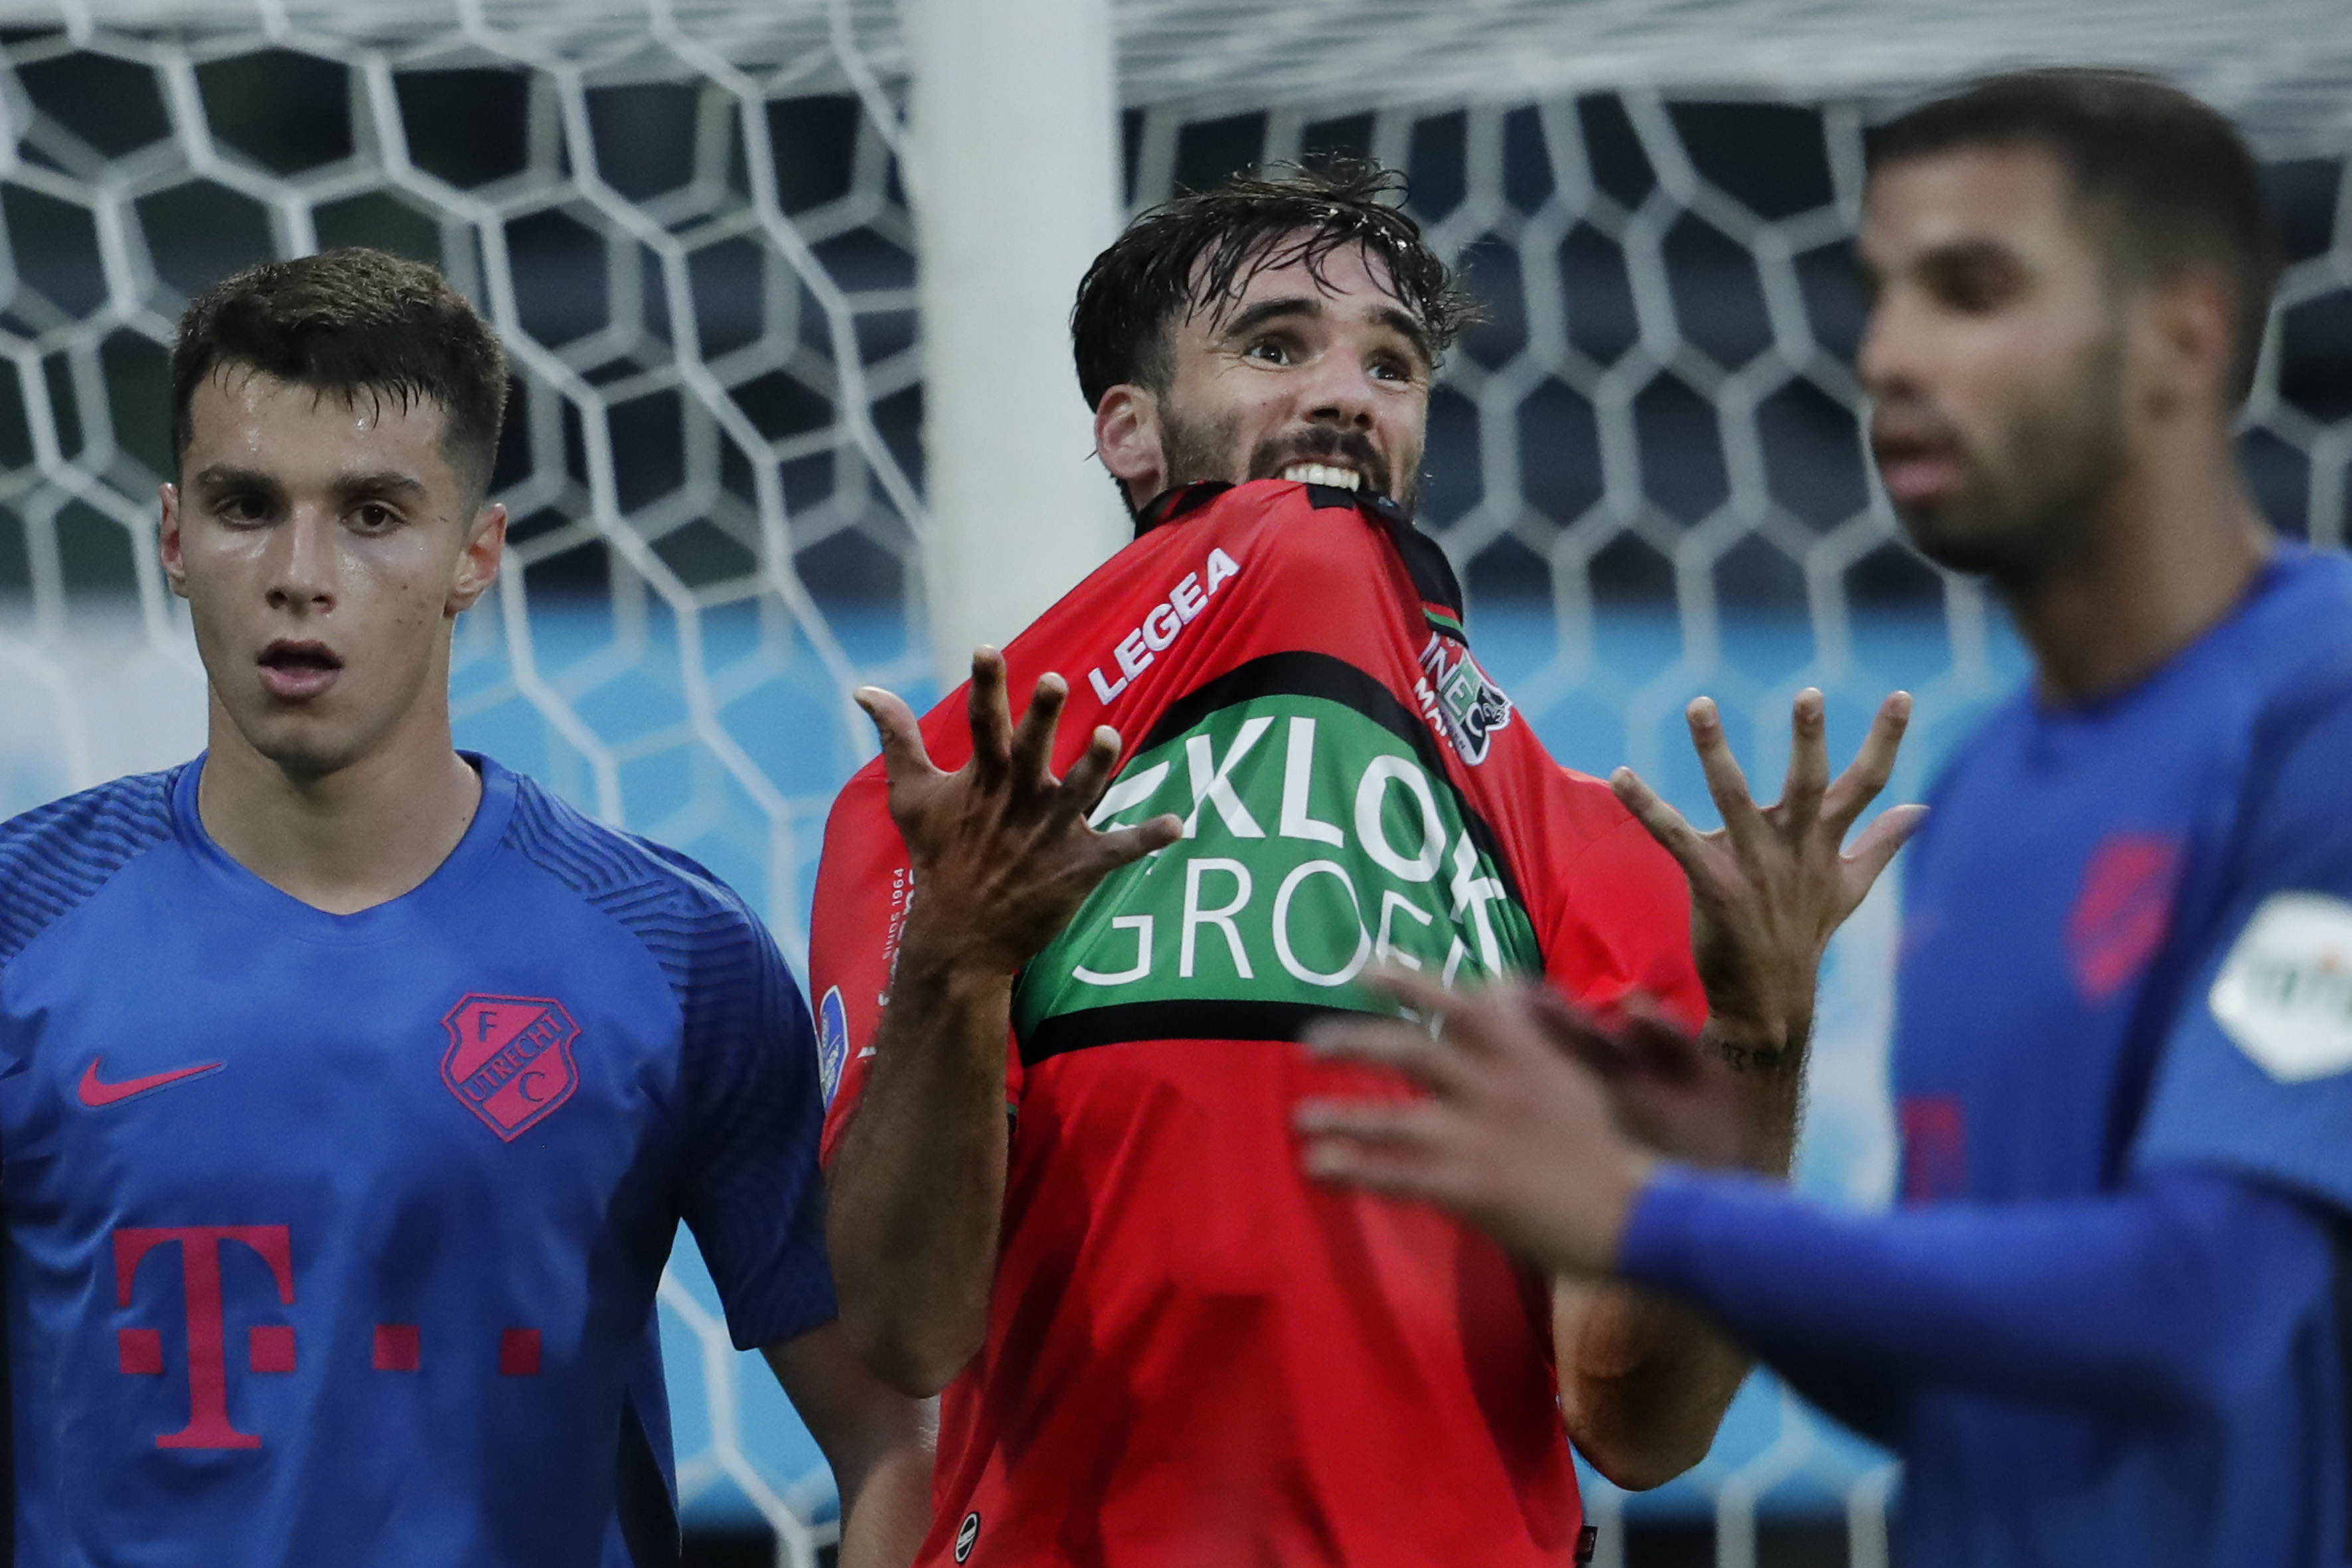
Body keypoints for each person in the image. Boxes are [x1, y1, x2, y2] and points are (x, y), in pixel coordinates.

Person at [1298, 70, 2352, 1568]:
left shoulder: (2322, 713)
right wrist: (1710, 1150)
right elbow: (1945, 1373)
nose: (1889, 356)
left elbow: (2197, 1312)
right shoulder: (1979, 798)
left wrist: (1656, 1218)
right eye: (1877, 296)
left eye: (1969, 292)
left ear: (2180, 332)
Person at [811, 162, 1917, 1565]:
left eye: (1388, 363)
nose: (1346, 394)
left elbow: (1642, 1425)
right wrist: (960, 954)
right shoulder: (949, 816)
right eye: (1275, 347)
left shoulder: (1598, 853)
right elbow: (905, 1328)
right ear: (1130, 431)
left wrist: (1764, 1033)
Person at [0, 249, 929, 1565]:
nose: (300, 573)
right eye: (245, 505)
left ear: (474, 553)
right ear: (171, 537)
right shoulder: (20, 926)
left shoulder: (673, 953)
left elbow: (893, 1433)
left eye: (374, 513)